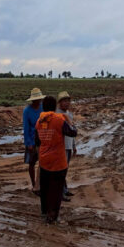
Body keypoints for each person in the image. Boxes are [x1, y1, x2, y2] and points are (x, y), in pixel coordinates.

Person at [36, 95, 77, 224]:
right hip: (58, 161)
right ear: (55, 107)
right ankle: (53, 215)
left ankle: (44, 211)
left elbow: (37, 141)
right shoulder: (59, 120)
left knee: (45, 188)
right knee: (57, 190)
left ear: (43, 107)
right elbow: (73, 132)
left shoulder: (39, 121)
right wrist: (69, 121)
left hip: (44, 160)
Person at [56, 91, 77, 201]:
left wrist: (74, 145)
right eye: (64, 101)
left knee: (64, 170)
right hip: (60, 146)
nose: (67, 103)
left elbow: (72, 131)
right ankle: (60, 192)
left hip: (68, 145)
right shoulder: (57, 115)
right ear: (59, 102)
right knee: (61, 170)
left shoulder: (69, 114)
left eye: (68, 101)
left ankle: (64, 189)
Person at [23, 87, 44, 195]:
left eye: (39, 99)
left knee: (43, 163)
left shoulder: (43, 108)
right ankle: (33, 184)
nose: (37, 101)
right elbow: (26, 128)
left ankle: (40, 184)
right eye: (36, 99)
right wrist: (29, 143)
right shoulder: (27, 111)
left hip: (43, 139)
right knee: (31, 163)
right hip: (32, 139)